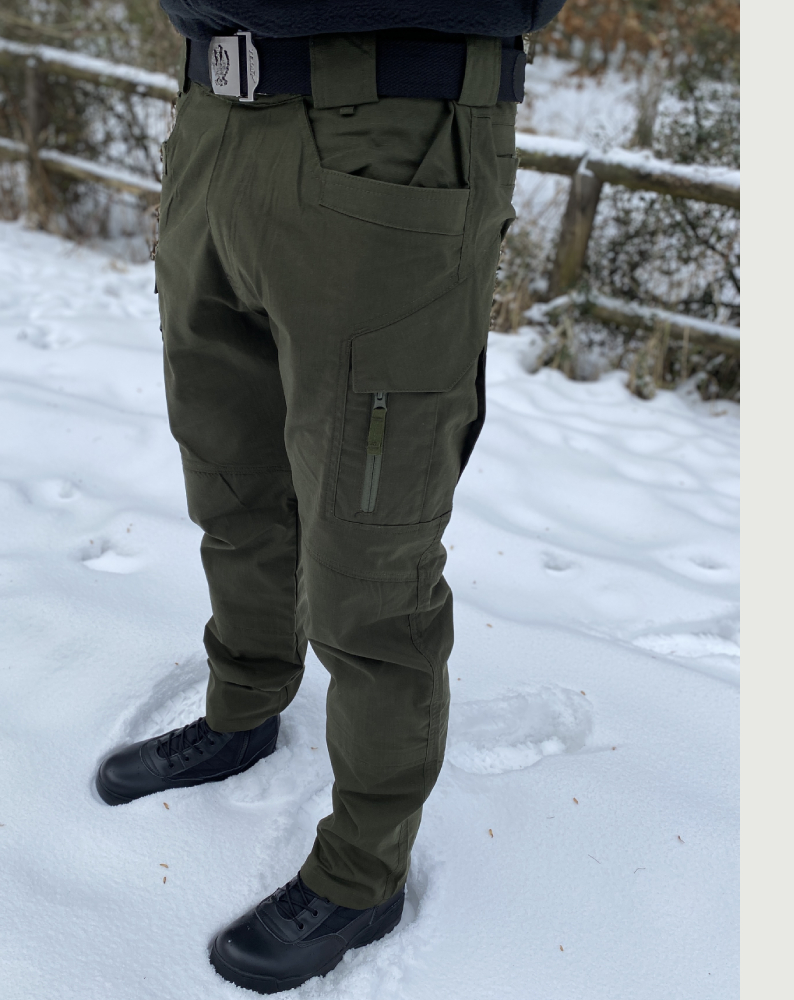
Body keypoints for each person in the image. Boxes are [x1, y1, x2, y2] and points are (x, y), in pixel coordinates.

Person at [96, 1, 566, 992]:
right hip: (214, 112)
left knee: (371, 549)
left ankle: (362, 870)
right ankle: (243, 708)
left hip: (391, 127)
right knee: (232, 477)